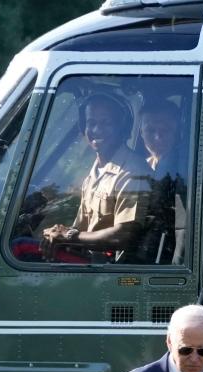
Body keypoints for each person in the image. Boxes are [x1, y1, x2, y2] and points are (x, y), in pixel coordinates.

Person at [40, 93, 152, 262]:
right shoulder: (97, 169)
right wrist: (57, 234)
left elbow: (124, 236)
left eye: (106, 123)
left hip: (113, 273)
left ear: (122, 128)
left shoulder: (132, 172)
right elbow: (82, 228)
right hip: (90, 262)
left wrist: (69, 236)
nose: (97, 130)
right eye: (91, 123)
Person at [137, 98, 188, 264]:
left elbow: (183, 227)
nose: (157, 137)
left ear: (178, 132)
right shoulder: (142, 167)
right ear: (140, 131)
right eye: (150, 130)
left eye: (165, 130)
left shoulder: (181, 173)